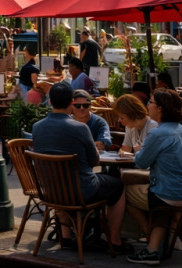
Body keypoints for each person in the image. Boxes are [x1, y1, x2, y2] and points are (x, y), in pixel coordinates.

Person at [31, 81, 126, 253]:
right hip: (82, 191)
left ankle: (66, 236)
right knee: (118, 186)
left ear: (50, 102)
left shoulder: (37, 127)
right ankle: (115, 240)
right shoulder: (81, 128)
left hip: (51, 192)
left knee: (59, 181)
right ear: (70, 104)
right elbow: (94, 161)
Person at [126, 89, 182, 266]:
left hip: (172, 195)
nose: (148, 105)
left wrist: (139, 150)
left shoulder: (157, 133)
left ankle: (149, 237)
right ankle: (154, 247)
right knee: (159, 193)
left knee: (122, 192)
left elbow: (141, 163)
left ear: (160, 109)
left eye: (151, 102)